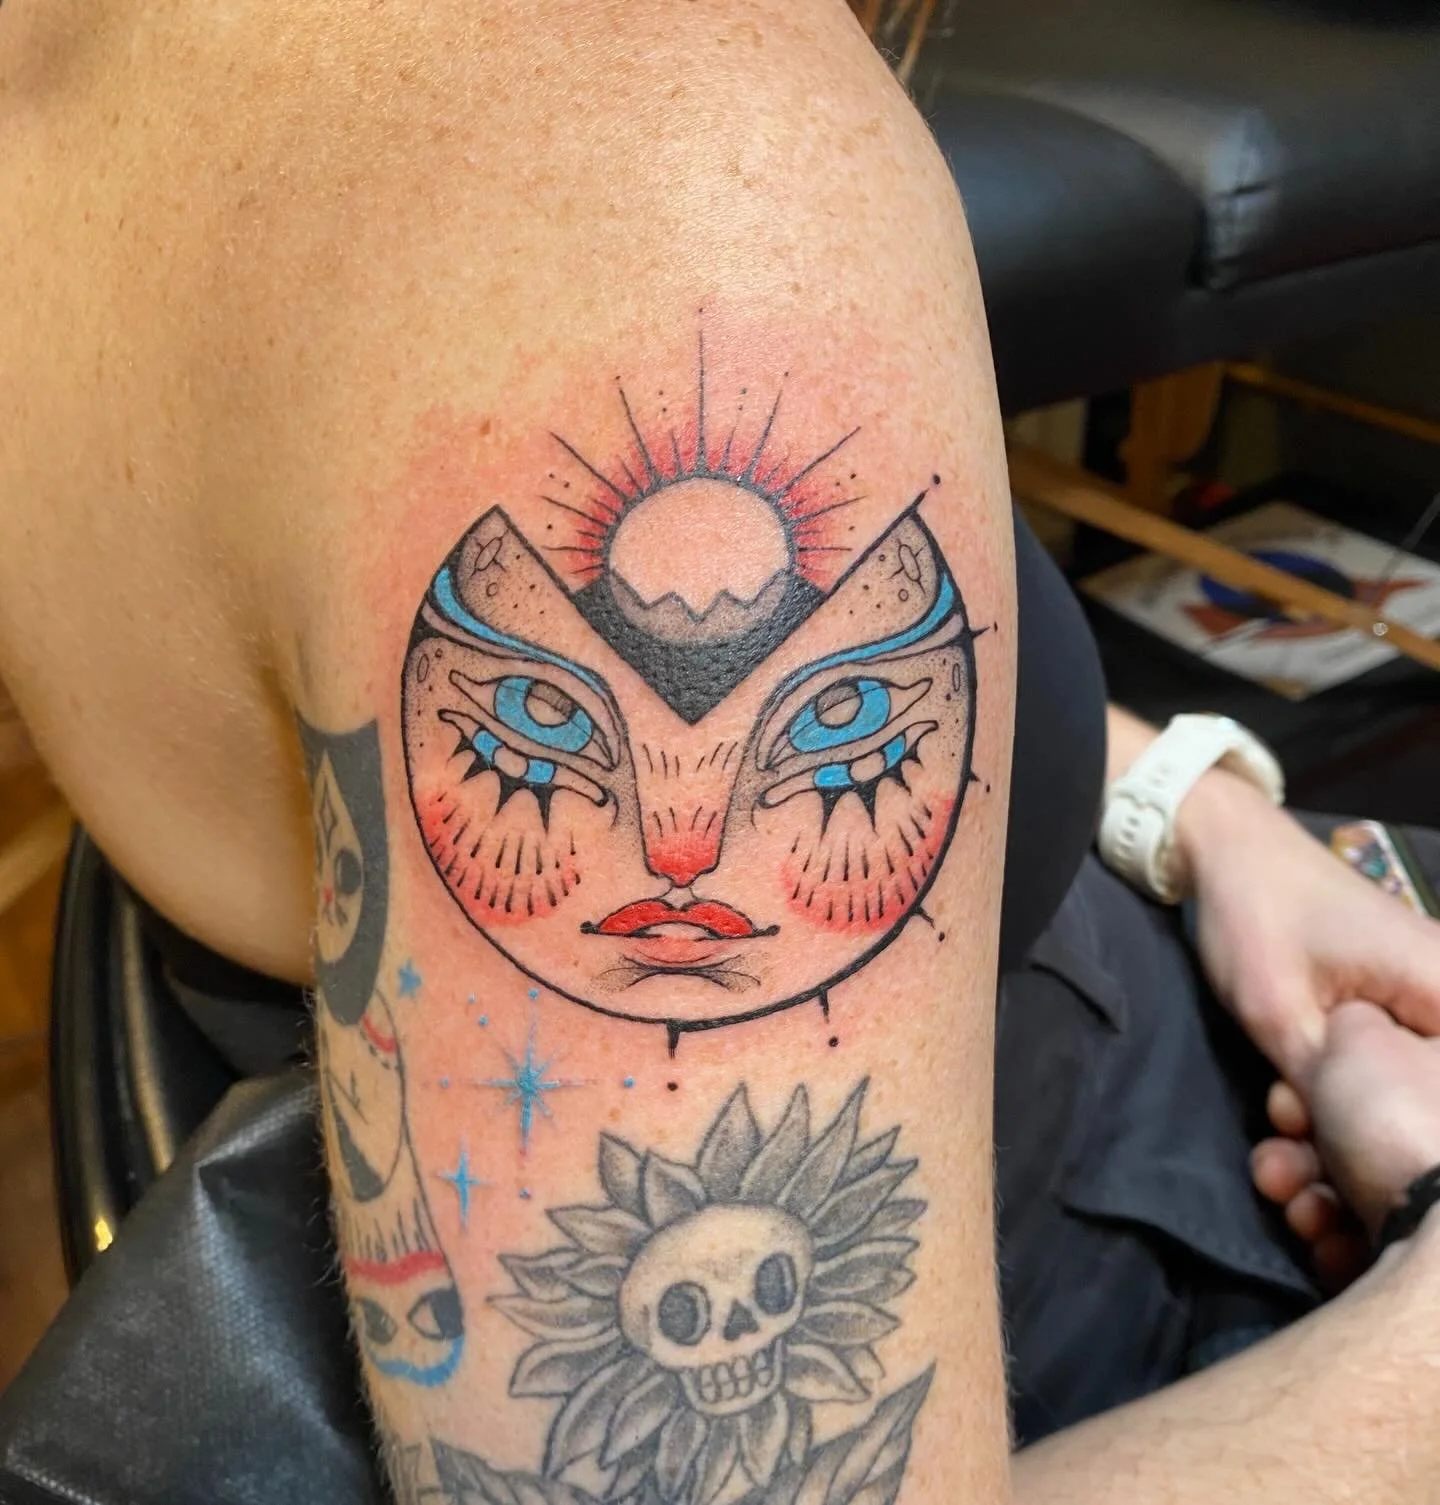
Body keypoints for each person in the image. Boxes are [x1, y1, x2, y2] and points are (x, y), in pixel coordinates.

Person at [0, 3, 1436, 1502]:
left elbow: (839, 649)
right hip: (1099, 1301)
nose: (682, 861)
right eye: (549, 737)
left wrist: (1199, 820)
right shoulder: (654, 160)